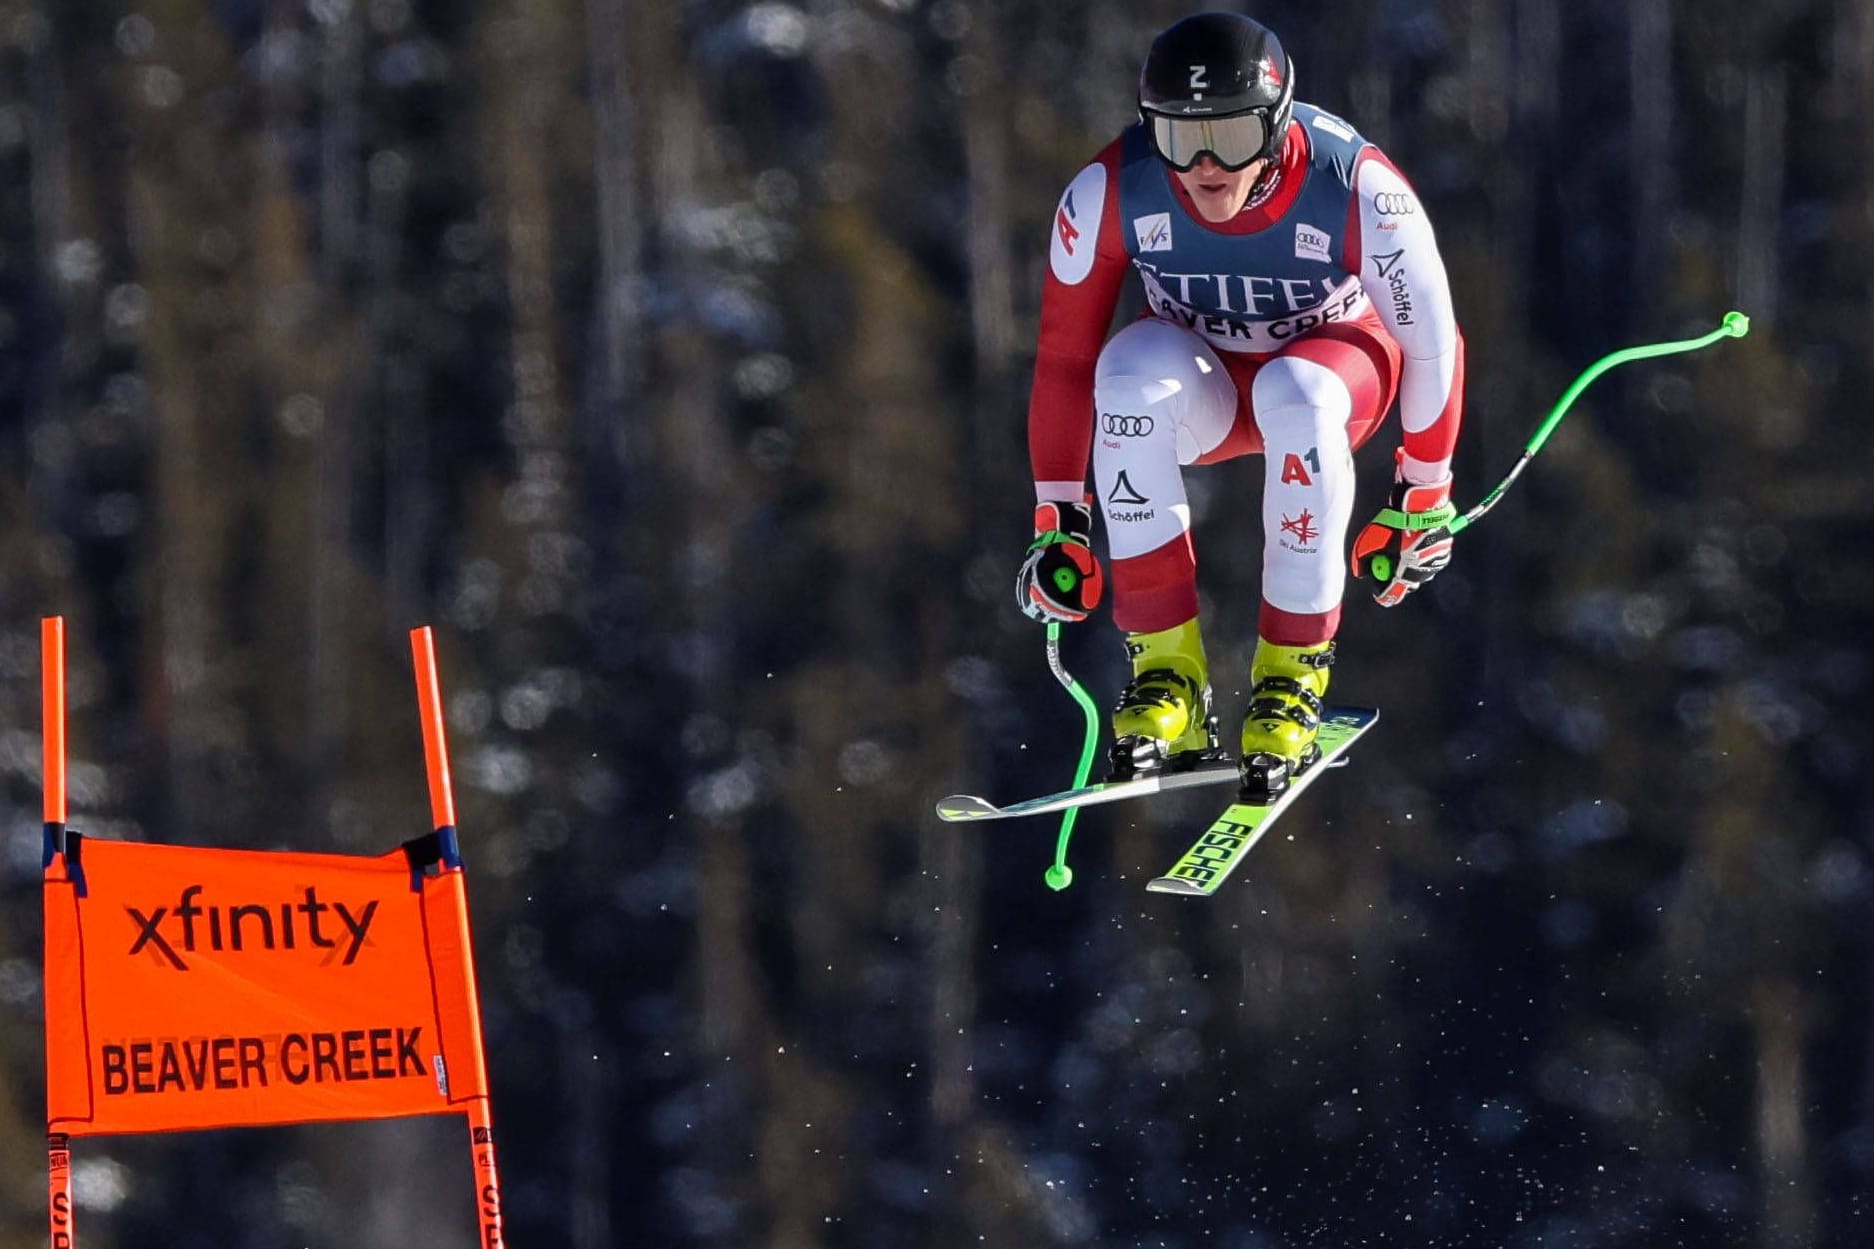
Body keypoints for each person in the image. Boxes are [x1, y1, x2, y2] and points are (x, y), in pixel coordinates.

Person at [1015, 11, 1465, 799]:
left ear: (1279, 120)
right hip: (1209, 386)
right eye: (1179, 137)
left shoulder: (1356, 187)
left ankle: (1291, 674)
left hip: (1333, 370)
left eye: (1230, 134)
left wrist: (1422, 492)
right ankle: (1168, 681)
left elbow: (1432, 342)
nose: (1205, 166)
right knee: (1123, 376)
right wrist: (1061, 518)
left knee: (1297, 393)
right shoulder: (1109, 191)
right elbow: (1063, 359)